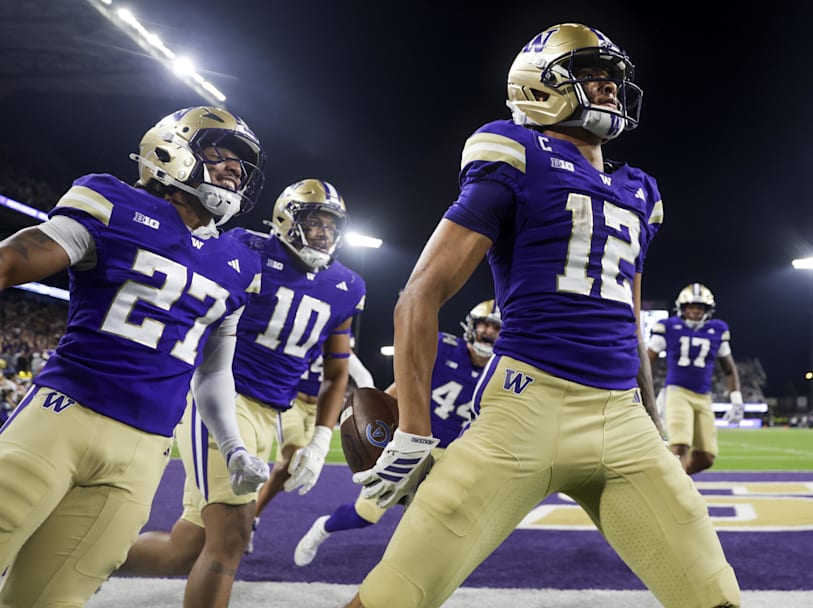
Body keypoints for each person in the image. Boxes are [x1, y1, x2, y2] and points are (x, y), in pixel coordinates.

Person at [350, 23, 740, 608]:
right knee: (395, 596)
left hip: (624, 422)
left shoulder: (640, 191)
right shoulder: (516, 152)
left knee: (715, 596)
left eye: (613, 77)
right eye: (591, 75)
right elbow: (419, 295)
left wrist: (656, 426)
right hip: (525, 411)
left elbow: (630, 326)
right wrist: (413, 427)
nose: (609, 87)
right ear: (539, 84)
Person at [0, 106, 270, 606]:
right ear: (171, 147)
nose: (234, 169)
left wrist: (232, 445)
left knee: (51, 597)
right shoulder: (112, 201)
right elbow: (18, 257)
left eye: (241, 164)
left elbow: (212, 372)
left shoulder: (239, 262)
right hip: (63, 416)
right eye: (221, 153)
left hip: (143, 454)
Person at [117, 178, 367, 607]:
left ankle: (84, 555)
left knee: (187, 548)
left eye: (331, 224)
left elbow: (336, 371)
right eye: (315, 221)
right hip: (221, 400)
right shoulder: (245, 249)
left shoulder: (346, 285)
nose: (325, 233)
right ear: (287, 218)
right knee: (233, 532)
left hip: (269, 413)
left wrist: (321, 437)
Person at [293, 300, 501, 567]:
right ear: (471, 325)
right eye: (484, 324)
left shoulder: (502, 369)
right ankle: (322, 528)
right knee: (365, 514)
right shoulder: (442, 348)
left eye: (496, 327)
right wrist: (376, 422)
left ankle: (407, 567)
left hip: (456, 452)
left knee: (438, 519)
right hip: (414, 440)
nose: (488, 332)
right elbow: (401, 387)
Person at [248, 343, 376, 553]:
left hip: (321, 407)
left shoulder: (337, 333)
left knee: (294, 469)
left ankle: (252, 511)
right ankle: (252, 519)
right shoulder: (308, 327)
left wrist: (368, 406)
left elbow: (361, 375)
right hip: (292, 402)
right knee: (291, 460)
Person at [647, 282, 743, 475]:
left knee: (706, 457)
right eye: (691, 306)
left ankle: (668, 480)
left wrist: (737, 400)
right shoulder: (669, 326)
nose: (695, 311)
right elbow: (647, 361)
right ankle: (677, 494)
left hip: (704, 396)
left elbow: (729, 368)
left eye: (700, 307)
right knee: (679, 447)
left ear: (708, 310)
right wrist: (642, 390)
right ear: (682, 308)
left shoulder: (717, 330)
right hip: (677, 392)